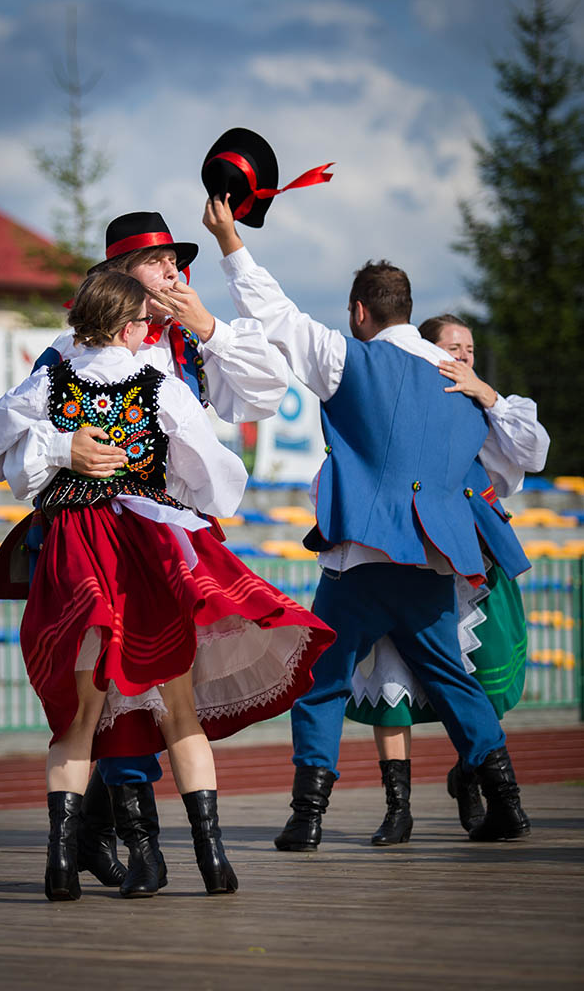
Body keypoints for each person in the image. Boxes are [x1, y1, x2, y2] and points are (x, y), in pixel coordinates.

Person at [0, 270, 334, 901]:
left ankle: (60, 867)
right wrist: (166, 486)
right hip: (143, 547)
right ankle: (213, 861)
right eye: (145, 322)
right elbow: (217, 477)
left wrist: (57, 447)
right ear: (130, 327)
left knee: (80, 717)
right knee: (179, 710)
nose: (150, 331)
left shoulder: (48, 382)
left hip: (76, 546)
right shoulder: (159, 385)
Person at [203, 192, 533, 852]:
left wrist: (229, 241)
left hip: (358, 562)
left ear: (360, 312)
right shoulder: (461, 382)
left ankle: (307, 817)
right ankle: (507, 803)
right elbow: (522, 453)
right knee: (452, 681)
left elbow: (274, 313)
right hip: (432, 561)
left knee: (321, 684)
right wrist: (493, 398)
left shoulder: (345, 357)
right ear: (408, 309)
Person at [347, 313, 549, 844]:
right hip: (409, 555)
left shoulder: (489, 406)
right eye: (452, 347)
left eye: (469, 349)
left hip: (475, 563)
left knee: (481, 681)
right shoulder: (400, 406)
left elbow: (534, 453)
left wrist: (487, 395)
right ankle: (398, 809)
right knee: (390, 678)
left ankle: (473, 772)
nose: (462, 356)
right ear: (426, 353)